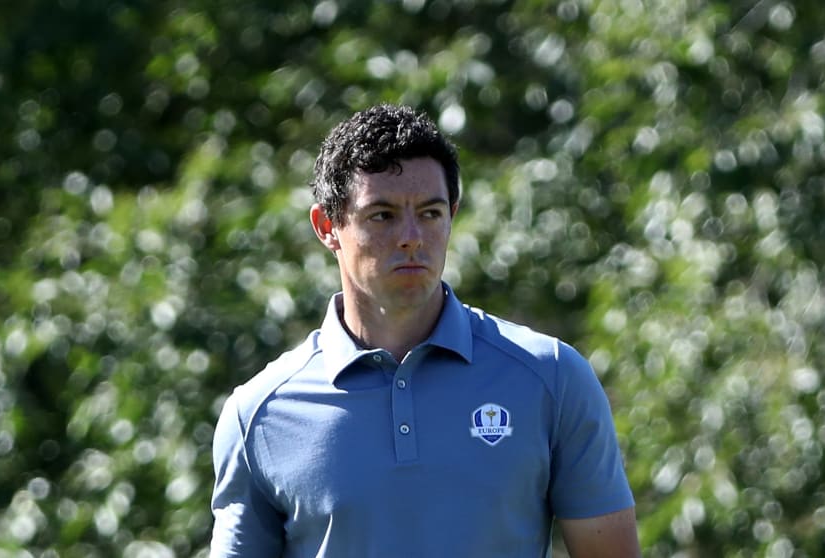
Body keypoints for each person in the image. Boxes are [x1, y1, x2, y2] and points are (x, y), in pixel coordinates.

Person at [210, 104, 640, 557]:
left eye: (431, 213)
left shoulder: (551, 377)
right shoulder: (257, 413)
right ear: (327, 227)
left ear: (452, 215)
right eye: (383, 215)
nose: (411, 236)